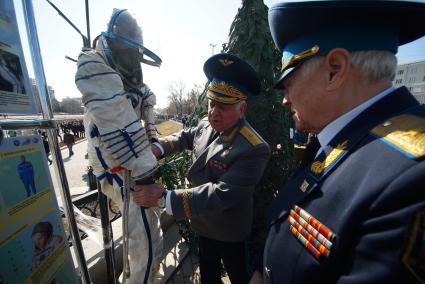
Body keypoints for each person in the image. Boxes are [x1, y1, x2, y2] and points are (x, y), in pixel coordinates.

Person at [250, 1, 425, 283]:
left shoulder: (413, 178)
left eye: (288, 82)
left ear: (334, 69)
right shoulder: (341, 137)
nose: (285, 99)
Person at [133, 53, 271, 284]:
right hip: (201, 220)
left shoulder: (254, 148)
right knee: (208, 272)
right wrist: (159, 147)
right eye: (212, 102)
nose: (214, 112)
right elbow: (185, 136)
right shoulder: (207, 123)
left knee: (238, 275)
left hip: (228, 229)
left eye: (225, 106)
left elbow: (221, 193)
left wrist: (164, 198)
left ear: (242, 109)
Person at [75, 9, 163, 284]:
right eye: (128, 50)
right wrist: (145, 165)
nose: (133, 58)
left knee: (149, 230)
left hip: (134, 169)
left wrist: (154, 145)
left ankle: (148, 276)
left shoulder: (138, 86)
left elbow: (146, 127)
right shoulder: (95, 68)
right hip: (119, 170)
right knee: (142, 239)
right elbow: (116, 118)